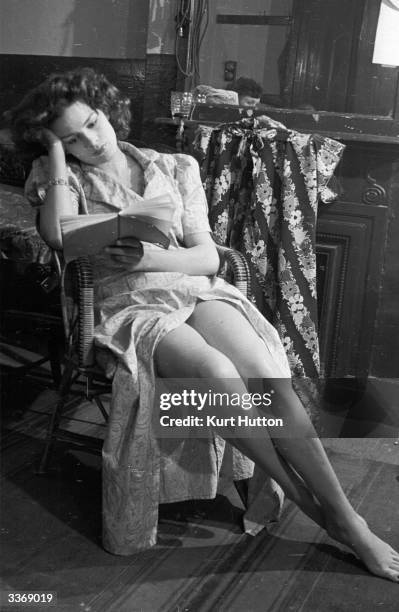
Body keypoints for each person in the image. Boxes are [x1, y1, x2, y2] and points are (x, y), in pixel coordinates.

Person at [6, 67, 399, 581]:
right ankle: (322, 510)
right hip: (127, 306)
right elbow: (59, 238)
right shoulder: (58, 175)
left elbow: (210, 259)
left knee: (263, 371)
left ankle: (343, 514)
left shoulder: (175, 165)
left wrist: (147, 257)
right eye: (72, 139)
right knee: (215, 372)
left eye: (94, 124)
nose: (92, 142)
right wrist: (54, 153)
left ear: (108, 110)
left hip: (188, 286)